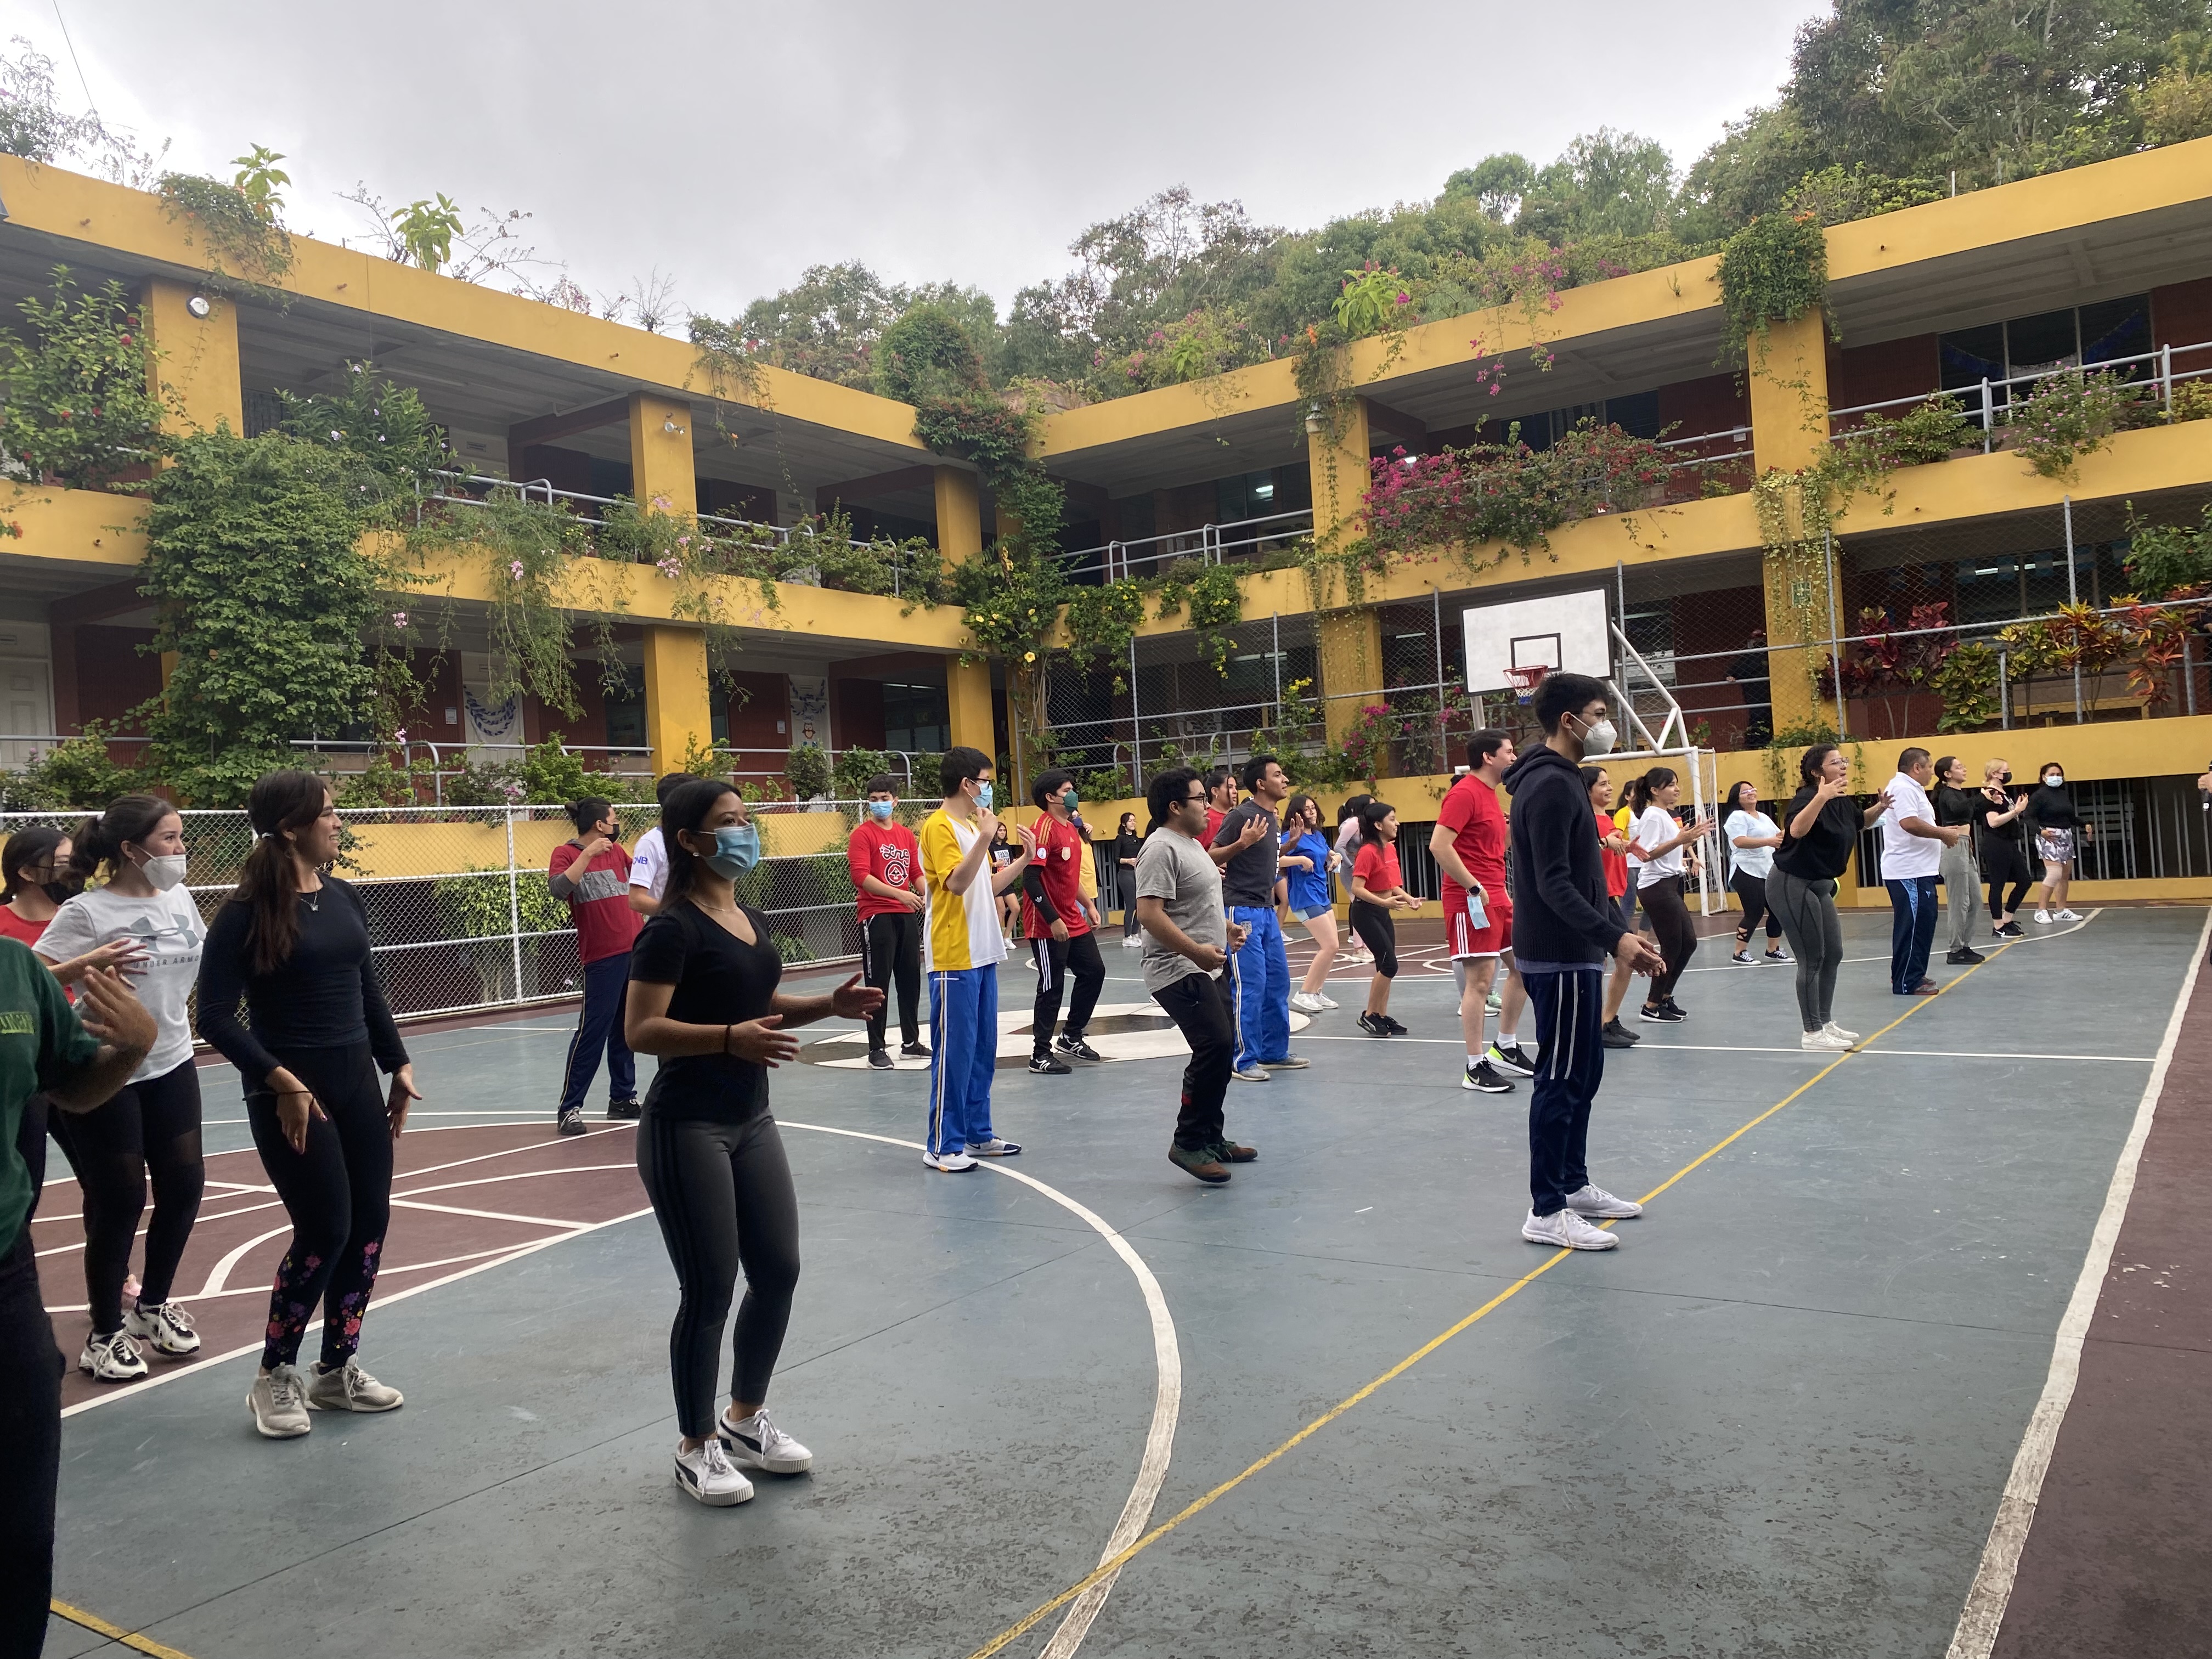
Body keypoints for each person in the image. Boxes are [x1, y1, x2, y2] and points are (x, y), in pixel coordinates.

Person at [624, 777, 882, 1505]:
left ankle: (744, 1419)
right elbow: (641, 1030)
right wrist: (728, 1039)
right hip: (687, 1126)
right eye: (729, 821)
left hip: (752, 1121)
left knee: (778, 1270)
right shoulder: (670, 929)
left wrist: (827, 1004)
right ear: (690, 840)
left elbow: (759, 1004)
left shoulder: (748, 916)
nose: (746, 831)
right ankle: (695, 1445)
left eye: (747, 818)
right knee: (709, 1289)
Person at [195, 770, 421, 1438]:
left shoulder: (344, 896)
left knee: (370, 1222)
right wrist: (281, 1081)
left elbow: (367, 990)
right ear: (292, 828)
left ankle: (336, 1367)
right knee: (324, 1229)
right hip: (290, 1095)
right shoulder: (244, 913)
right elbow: (214, 1017)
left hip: (356, 1082)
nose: (337, 822)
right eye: (327, 813)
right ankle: (274, 1376)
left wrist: (397, 1063)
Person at [0, 946, 156, 1656]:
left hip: (6, 1274)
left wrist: (132, 1049)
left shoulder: (15, 970)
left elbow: (73, 1086)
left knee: (21, 1534)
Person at [35, 796, 209, 1381]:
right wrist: (83, 964)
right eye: (169, 839)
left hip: (171, 1059)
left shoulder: (180, 899)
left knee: (184, 1186)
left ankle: (152, 1307)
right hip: (107, 1068)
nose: (180, 849)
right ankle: (105, 1332)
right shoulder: (86, 912)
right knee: (121, 1199)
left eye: (180, 836)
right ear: (131, 850)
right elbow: (29, 978)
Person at [1503, 674, 1666, 1250]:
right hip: (1559, 955)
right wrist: (1615, 939)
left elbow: (1585, 879)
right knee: (1561, 1079)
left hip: (1578, 951)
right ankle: (1546, 1209)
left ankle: (1572, 1184)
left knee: (1584, 1073)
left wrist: (1618, 932)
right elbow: (1552, 883)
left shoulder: (1564, 779)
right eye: (1598, 714)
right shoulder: (1549, 785)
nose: (1606, 725)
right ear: (1569, 721)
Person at [1136, 768, 1255, 1184]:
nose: (1208, 805)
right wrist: (1195, 952)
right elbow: (1149, 913)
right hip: (1178, 968)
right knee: (1213, 1046)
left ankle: (1210, 1136)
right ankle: (1187, 1141)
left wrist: (1226, 929)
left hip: (1207, 964)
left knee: (1223, 1050)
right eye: (1200, 798)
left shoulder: (1191, 846)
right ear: (1175, 807)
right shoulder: (1160, 849)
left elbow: (1196, 903)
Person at [918, 748, 1034, 1172]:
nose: (989, 789)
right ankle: (942, 1144)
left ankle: (977, 1133)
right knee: (955, 1052)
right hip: (954, 956)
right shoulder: (939, 826)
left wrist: (1023, 860)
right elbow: (957, 883)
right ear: (967, 784)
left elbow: (986, 884)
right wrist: (987, 836)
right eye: (985, 781)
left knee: (983, 1048)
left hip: (984, 952)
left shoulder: (970, 827)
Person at [1432, 732, 1534, 1093]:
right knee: (1479, 982)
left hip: (1498, 896)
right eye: (1509, 752)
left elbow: (1497, 847)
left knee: (1524, 967)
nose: (1514, 757)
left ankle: (1505, 1047)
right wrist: (1473, 885)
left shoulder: (1492, 795)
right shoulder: (1464, 793)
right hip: (1470, 900)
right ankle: (1475, 1066)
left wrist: (1516, 822)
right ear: (1489, 757)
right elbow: (1439, 845)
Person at [1773, 744, 1894, 1048]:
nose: (1843, 766)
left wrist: (1880, 807)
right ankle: (1812, 1033)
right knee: (1811, 958)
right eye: (1835, 762)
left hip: (1820, 884)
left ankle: (1825, 1022)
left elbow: (1860, 822)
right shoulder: (1807, 797)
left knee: (1834, 954)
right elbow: (1797, 831)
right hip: (1791, 882)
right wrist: (1821, 797)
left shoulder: (1841, 799)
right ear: (1817, 772)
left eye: (1844, 761)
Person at [547, 795, 641, 1134]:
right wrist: (587, 855)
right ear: (600, 825)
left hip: (635, 952)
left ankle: (623, 1098)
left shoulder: (618, 852)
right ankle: (569, 1108)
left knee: (625, 1030)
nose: (617, 825)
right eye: (613, 820)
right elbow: (559, 889)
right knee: (592, 1032)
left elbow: (642, 879)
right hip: (602, 959)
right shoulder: (566, 854)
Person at [1214, 755, 1302, 1082]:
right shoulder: (1241, 815)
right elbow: (1211, 854)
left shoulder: (1272, 818)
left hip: (1266, 910)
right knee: (1251, 985)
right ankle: (1242, 1059)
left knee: (1278, 982)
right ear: (1261, 784)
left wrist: (1288, 846)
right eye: (1278, 775)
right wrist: (1241, 843)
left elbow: (1264, 857)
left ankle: (1273, 1052)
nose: (1285, 779)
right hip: (1241, 909)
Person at [1023, 769, 1107, 1074]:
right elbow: (1031, 879)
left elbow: (1070, 878)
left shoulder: (1071, 828)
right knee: (1051, 985)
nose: (1073, 794)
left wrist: (1089, 905)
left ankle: (1071, 1035)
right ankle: (1040, 1054)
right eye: (1067, 790)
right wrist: (1053, 919)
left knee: (1094, 971)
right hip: (1046, 924)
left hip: (1072, 918)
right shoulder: (1043, 830)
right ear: (1050, 797)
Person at [847, 774, 929, 1070]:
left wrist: (927, 894)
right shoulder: (862, 835)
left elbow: (915, 872)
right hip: (876, 914)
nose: (879, 804)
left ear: (896, 801)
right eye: (873, 799)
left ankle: (911, 1043)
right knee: (878, 983)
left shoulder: (906, 835)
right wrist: (899, 894)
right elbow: (861, 877)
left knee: (910, 979)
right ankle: (876, 1048)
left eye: (884, 799)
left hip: (905, 914)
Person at [1625, 768, 1712, 1025]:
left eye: (1676, 784)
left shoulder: (1665, 815)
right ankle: (1651, 1006)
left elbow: (1669, 848)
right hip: (1657, 887)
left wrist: (1689, 839)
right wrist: (1679, 840)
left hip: (1670, 884)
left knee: (1688, 943)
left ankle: (1664, 997)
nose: (1677, 789)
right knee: (1673, 946)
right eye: (1671, 785)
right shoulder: (1653, 815)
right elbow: (1646, 854)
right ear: (1654, 790)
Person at [1880, 747, 1961, 996]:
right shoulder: (1903, 788)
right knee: (1914, 926)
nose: (1931, 773)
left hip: (1918, 871)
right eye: (1929, 768)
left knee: (1921, 924)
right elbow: (1909, 823)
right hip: (1909, 872)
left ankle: (1909, 972)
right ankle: (1908, 980)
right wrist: (1942, 833)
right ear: (1917, 768)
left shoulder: (1911, 788)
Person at [1350, 799, 1421, 1037]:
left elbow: (1392, 885)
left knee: (1385, 965)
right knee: (1390, 964)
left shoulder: (1390, 849)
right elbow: (1357, 888)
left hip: (1382, 912)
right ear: (1378, 825)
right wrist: (1384, 903)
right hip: (1365, 913)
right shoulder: (1367, 852)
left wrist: (1409, 899)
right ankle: (1369, 1015)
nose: (1397, 823)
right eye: (1392, 819)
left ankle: (1381, 1015)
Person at [1585, 767, 1640, 1049]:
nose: (1609, 788)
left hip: (1609, 898)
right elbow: (1583, 851)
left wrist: (1626, 847)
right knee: (1617, 958)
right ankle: (1599, 1024)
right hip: (1595, 899)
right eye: (1602, 784)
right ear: (1587, 790)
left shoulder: (1606, 818)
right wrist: (1607, 843)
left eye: (1609, 783)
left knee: (1624, 958)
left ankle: (1607, 1020)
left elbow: (1607, 850)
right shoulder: (1585, 819)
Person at [1280, 794, 1341, 1013]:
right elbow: (1277, 859)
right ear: (1297, 813)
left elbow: (1329, 853)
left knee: (1333, 947)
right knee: (1330, 946)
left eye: (1313, 807)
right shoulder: (1290, 836)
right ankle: (1304, 993)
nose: (1312, 811)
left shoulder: (1317, 835)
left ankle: (1316, 992)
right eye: (1307, 809)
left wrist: (1336, 857)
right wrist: (1300, 859)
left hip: (1321, 895)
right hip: (1304, 896)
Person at [1720, 782, 1788, 966]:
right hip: (1746, 870)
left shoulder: (1763, 817)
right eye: (1745, 792)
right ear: (1737, 798)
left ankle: (1773, 950)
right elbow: (1740, 841)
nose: (1751, 793)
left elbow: (1778, 837)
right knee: (1754, 912)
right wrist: (1769, 841)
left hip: (1767, 871)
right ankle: (1739, 952)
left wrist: (1794, 827)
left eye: (1752, 790)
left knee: (1778, 910)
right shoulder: (1737, 816)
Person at [1931, 757, 1988, 966]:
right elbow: (1957, 809)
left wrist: (1988, 800)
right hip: (1953, 846)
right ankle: (1955, 949)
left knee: (1975, 899)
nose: (1964, 769)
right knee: (1959, 901)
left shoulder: (1960, 794)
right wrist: (1980, 797)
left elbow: (1969, 812)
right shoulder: (1947, 793)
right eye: (1959, 767)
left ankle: (1965, 945)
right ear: (1947, 774)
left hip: (1965, 844)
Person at [627, 771, 699, 918]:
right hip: (675, 927)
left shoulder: (703, 836)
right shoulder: (651, 843)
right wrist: (680, 916)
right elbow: (636, 899)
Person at [2025, 761, 2088, 923]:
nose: (2056, 777)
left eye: (2059, 775)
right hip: (2049, 836)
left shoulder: (2063, 794)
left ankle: (2061, 910)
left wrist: (2084, 824)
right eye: (2052, 775)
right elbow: (2029, 817)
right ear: (2044, 777)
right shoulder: (2039, 796)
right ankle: (2041, 910)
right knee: (2054, 874)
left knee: (2064, 876)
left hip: (2066, 835)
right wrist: (2040, 831)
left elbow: (2070, 816)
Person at [1977, 760, 2033, 939]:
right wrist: (2016, 811)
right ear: (1994, 773)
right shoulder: (1991, 794)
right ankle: (1998, 926)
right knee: (1998, 884)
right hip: (1996, 843)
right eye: (2005, 771)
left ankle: (2007, 920)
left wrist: (2017, 810)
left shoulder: (2004, 793)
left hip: (2008, 842)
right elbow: (1993, 822)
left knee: (2025, 881)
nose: (2008, 774)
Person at [1333, 795, 1374, 964]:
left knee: (1365, 908)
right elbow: (1338, 847)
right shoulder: (1353, 823)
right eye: (1371, 805)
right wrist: (1351, 865)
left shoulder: (1367, 823)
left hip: (1363, 869)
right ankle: (1358, 949)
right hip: (1351, 871)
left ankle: (1364, 946)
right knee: (1359, 906)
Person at [1728, 629, 1773, 748]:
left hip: (1769, 693)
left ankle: (1761, 742)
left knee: (1767, 717)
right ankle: (1755, 744)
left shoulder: (1769, 655)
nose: (1758, 641)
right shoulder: (1747, 657)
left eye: (1761, 639)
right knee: (1757, 717)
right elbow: (1731, 673)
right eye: (1756, 639)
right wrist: (1730, 678)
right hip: (1754, 695)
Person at [1113, 811, 1144, 947]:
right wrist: (1128, 860)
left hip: (1137, 873)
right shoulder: (1120, 838)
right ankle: (1127, 937)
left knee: (1141, 905)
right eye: (1130, 821)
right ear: (1124, 824)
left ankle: (1135, 933)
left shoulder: (1137, 839)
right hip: (1126, 874)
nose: (1133, 823)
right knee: (1131, 905)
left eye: (1134, 820)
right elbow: (1116, 859)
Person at [1201, 768, 1237, 848]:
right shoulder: (1205, 817)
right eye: (1230, 787)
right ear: (1215, 791)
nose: (1235, 791)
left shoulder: (1236, 816)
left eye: (1235, 787)